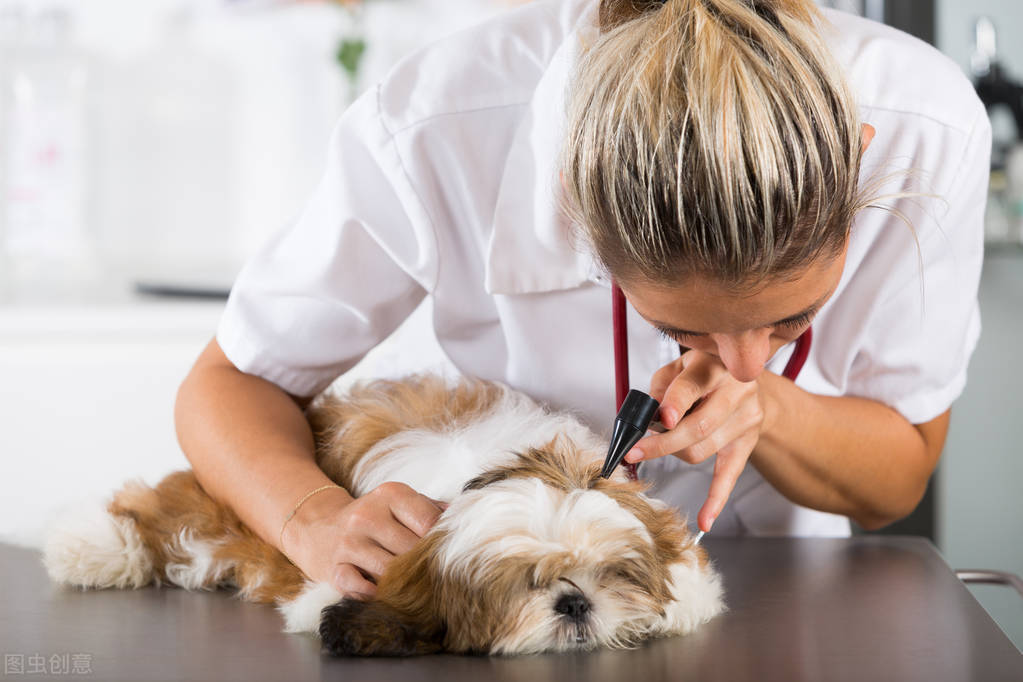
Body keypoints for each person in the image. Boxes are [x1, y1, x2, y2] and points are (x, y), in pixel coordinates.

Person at [175, 0, 989, 599]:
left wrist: (772, 410)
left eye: (790, 321)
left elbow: (897, 480)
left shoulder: (926, 123)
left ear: (859, 161)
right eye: (678, 328)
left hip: (787, 590)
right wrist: (309, 515)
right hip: (515, 595)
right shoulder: (436, 123)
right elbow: (227, 384)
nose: (745, 362)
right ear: (574, 201)